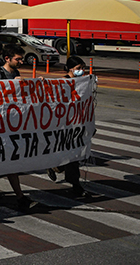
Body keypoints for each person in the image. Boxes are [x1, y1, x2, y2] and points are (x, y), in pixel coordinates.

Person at [0, 44, 38, 211]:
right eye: (17, 59)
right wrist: (11, 85)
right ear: (7, 59)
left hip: (11, 124)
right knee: (8, 160)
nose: (21, 62)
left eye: (21, 59)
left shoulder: (17, 74)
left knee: (5, 159)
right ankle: (20, 197)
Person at [47, 55, 90, 198]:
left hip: (77, 125)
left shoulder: (83, 82)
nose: (82, 71)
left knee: (74, 155)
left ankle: (73, 181)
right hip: (64, 126)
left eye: (83, 68)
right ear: (70, 69)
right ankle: (72, 181)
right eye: (78, 68)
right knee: (70, 155)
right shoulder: (63, 82)